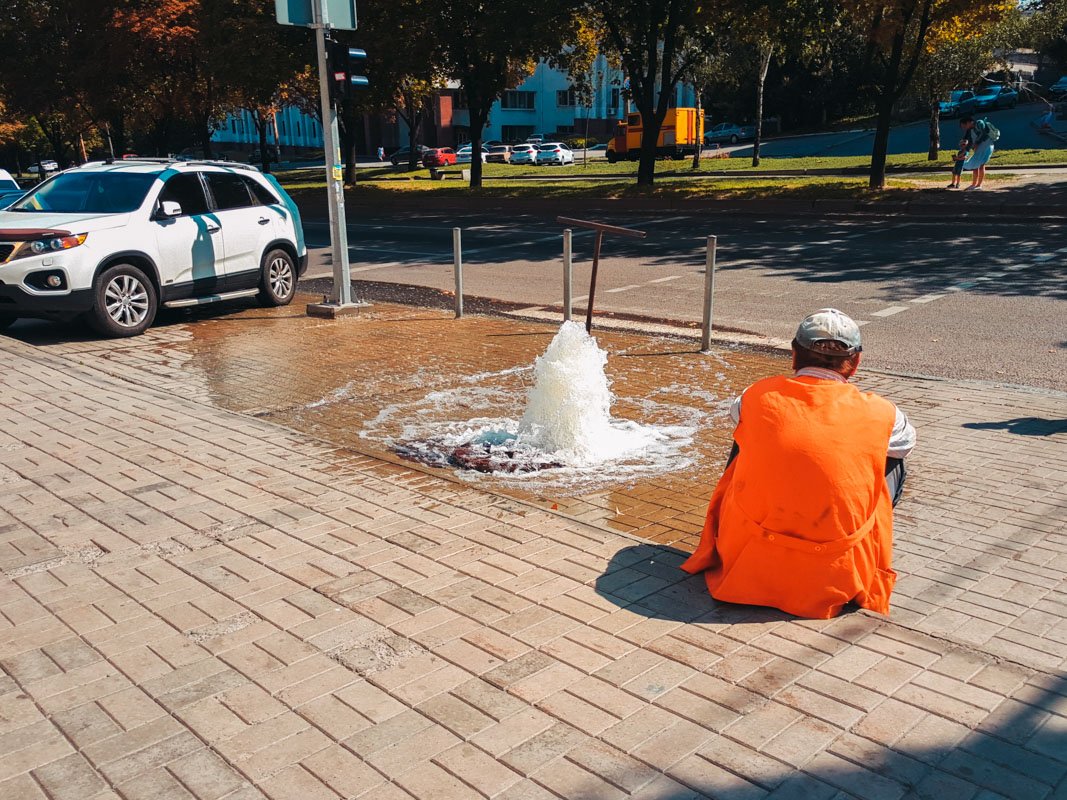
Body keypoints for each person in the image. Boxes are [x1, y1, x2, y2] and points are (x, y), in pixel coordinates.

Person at [681, 309, 916, 619]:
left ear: (794, 354)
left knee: (747, 437)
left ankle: (738, 536)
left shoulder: (754, 396)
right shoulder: (885, 414)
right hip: (836, 572)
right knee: (892, 460)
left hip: (750, 562)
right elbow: (905, 446)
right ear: (856, 362)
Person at [959, 115, 996, 190]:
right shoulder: (970, 130)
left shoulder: (979, 123)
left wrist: (976, 143)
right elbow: (970, 143)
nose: (964, 128)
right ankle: (974, 184)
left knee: (981, 164)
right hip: (978, 148)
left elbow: (984, 134)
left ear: (969, 122)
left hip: (987, 146)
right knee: (975, 165)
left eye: (964, 126)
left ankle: (979, 185)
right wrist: (965, 151)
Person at [947, 116, 978, 190]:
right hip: (957, 163)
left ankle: (958, 183)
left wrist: (958, 157)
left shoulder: (975, 128)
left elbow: (965, 156)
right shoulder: (968, 131)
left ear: (967, 123)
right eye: (961, 145)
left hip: (961, 164)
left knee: (959, 174)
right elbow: (965, 139)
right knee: (954, 173)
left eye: (963, 126)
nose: (963, 128)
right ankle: (953, 183)